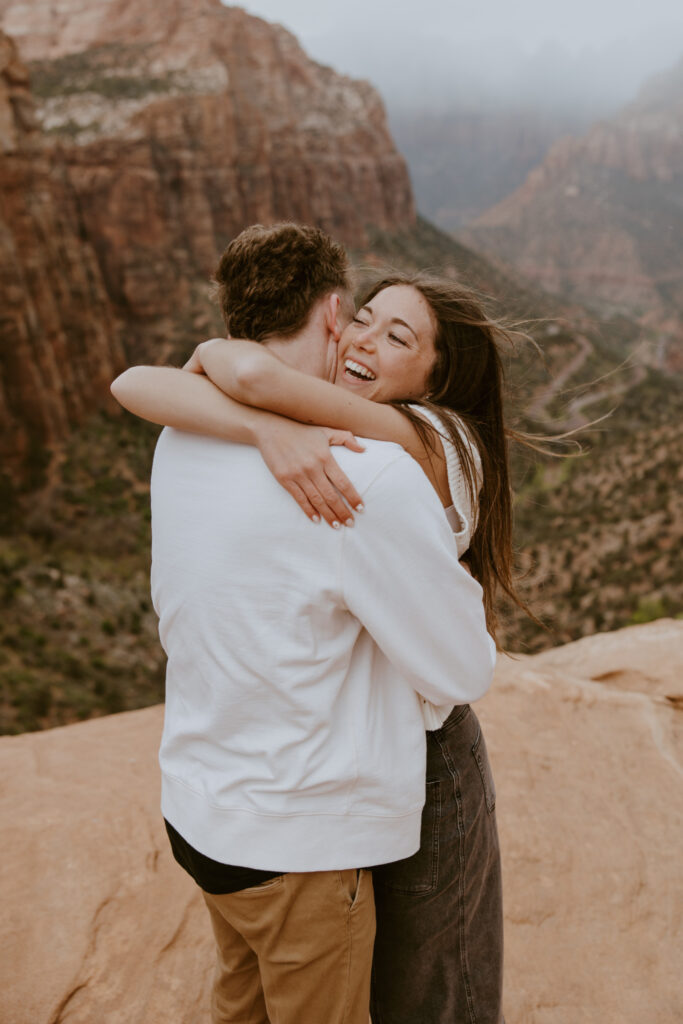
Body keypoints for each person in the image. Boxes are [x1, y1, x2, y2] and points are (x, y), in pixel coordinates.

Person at [111, 222, 497, 1024]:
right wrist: (266, 423)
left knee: (243, 1001)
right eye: (361, 317)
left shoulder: (187, 432)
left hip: (200, 810)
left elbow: (166, 380)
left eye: (398, 334)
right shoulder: (362, 473)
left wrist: (245, 397)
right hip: (299, 838)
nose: (362, 337)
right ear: (331, 311)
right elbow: (461, 672)